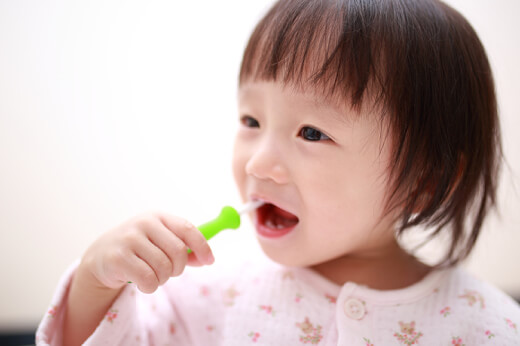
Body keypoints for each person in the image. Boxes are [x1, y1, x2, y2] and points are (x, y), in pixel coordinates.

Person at [36, 0, 520, 344]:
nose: (257, 162)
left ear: (424, 182)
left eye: (312, 132)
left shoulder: (488, 326)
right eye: (252, 121)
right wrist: (96, 283)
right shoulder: (206, 295)